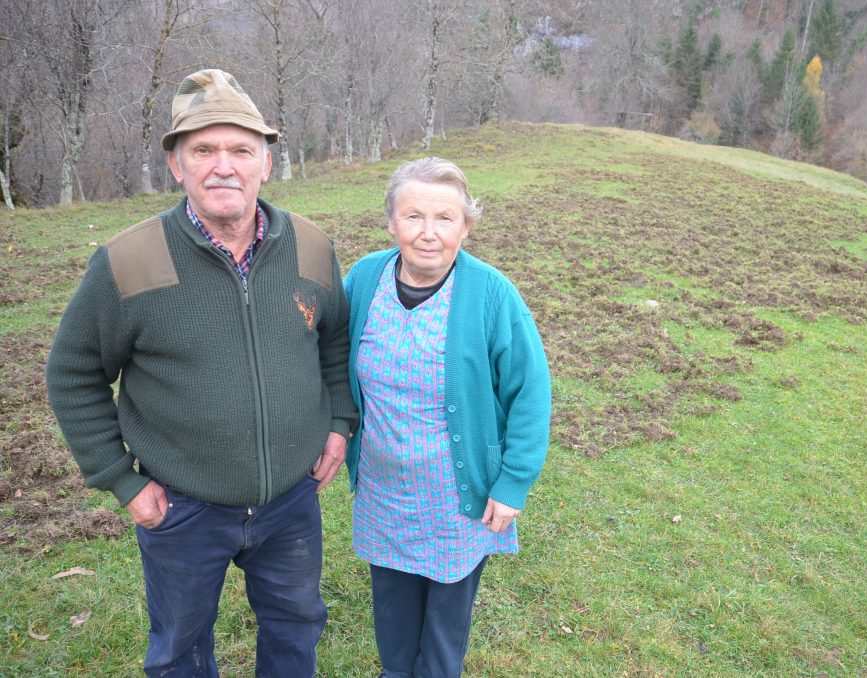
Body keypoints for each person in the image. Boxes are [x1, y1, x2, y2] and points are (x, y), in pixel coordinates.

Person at [45, 68, 358, 677]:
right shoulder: (127, 261)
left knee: (296, 629)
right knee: (180, 650)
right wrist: (122, 481)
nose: (224, 166)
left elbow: (334, 343)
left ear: (266, 162)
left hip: (290, 500)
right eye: (204, 150)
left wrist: (340, 420)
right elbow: (73, 372)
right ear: (176, 165)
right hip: (182, 508)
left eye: (241, 150)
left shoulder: (312, 247)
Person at [343, 157, 552, 677]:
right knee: (393, 623)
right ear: (391, 222)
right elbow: (330, 361)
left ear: (467, 225)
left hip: (458, 497)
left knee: (440, 640)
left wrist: (513, 483)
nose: (428, 233)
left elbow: (530, 390)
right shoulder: (364, 278)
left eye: (445, 218)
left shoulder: (491, 293)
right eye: (413, 217)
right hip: (384, 490)